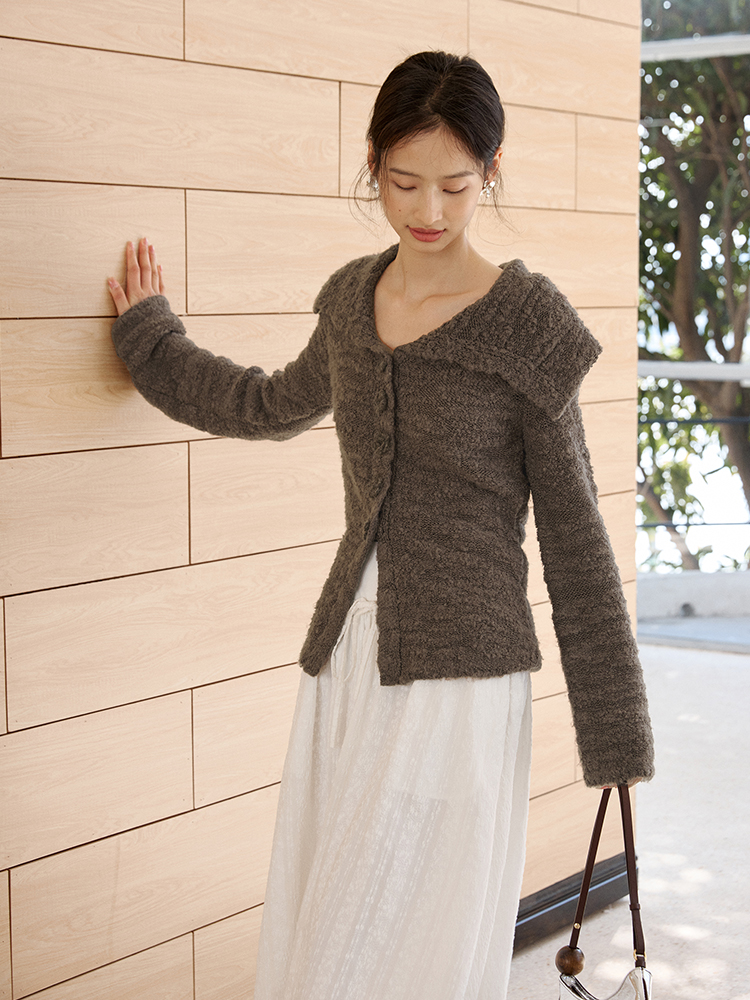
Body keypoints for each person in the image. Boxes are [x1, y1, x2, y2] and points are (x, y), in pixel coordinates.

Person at [107, 51, 653, 1000]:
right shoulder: (353, 303)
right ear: (372, 164)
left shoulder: (529, 327)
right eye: (403, 182)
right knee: (326, 925)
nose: (428, 210)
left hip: (461, 685)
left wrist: (616, 737)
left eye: (455, 184)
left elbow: (576, 545)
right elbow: (264, 404)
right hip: (350, 661)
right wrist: (154, 339)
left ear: (491, 170)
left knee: (393, 946)